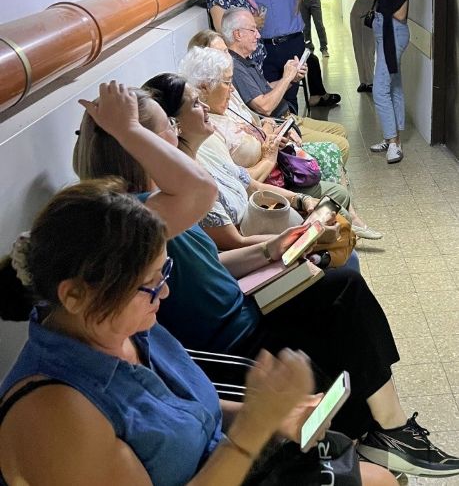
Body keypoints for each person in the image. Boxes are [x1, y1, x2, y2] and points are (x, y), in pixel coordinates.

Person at [71, 83, 459, 478]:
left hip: (243, 309)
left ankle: (387, 430)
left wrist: (270, 250)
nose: (175, 131)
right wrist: (128, 128)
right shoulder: (135, 217)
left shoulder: (156, 203)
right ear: (138, 145)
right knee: (342, 300)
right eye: (166, 127)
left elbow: (212, 264)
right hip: (231, 340)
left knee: (341, 290)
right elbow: (201, 190)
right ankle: (386, 433)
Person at [0, 178, 334, 486]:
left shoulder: (126, 325)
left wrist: (270, 415)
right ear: (75, 296)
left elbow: (190, 417)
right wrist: (253, 430)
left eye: (164, 273)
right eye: (149, 283)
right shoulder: (54, 418)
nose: (164, 292)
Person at [176, 48, 382, 244]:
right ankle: (346, 232)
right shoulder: (207, 140)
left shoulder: (218, 117)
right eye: (228, 82)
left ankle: (347, 230)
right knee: (336, 210)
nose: (232, 88)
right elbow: (239, 234)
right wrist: (297, 236)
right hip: (267, 200)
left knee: (336, 200)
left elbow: (249, 179)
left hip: (275, 178)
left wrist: (301, 200)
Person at [221, 7, 350, 164]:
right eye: (253, 30)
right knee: (341, 145)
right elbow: (264, 106)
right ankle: (324, 174)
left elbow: (268, 89)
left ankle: (329, 172)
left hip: (288, 118)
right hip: (280, 124)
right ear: (238, 34)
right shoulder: (235, 67)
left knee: (340, 131)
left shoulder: (245, 60)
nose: (258, 35)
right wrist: (287, 77)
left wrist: (292, 79)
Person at [362, 0, 415, 164]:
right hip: (384, 31)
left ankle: (394, 142)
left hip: (393, 33)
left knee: (380, 89)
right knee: (393, 85)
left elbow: (401, 14)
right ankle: (391, 137)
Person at [349, 0, 377, 93]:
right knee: (358, 48)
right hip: (357, 12)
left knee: (369, 48)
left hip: (370, 14)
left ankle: (371, 81)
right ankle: (363, 81)